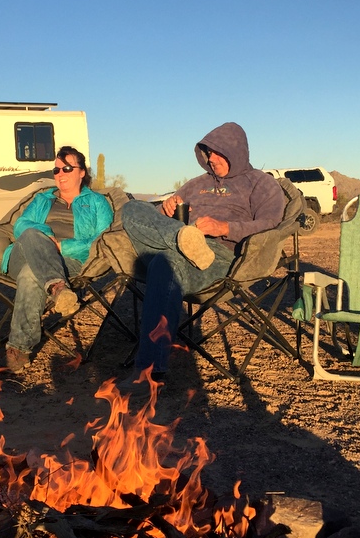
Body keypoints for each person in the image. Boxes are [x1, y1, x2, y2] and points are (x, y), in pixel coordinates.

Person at [118, 122, 286, 393]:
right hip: (179, 242)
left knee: (164, 264)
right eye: (208, 152)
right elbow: (157, 220)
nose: (211, 158)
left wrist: (225, 228)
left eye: (218, 153)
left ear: (236, 152)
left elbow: (272, 223)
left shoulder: (260, 183)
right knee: (132, 209)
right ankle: (183, 241)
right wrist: (165, 209)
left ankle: (149, 373)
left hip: (220, 257)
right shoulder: (197, 184)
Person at [2, 145, 113, 373]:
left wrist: (63, 246)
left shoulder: (97, 203)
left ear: (82, 172)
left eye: (67, 168)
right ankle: (56, 286)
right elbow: (21, 226)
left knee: (31, 274)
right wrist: (47, 236)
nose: (60, 174)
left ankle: (19, 348)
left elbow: (102, 240)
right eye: (56, 170)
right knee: (32, 233)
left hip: (69, 260)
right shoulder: (43, 199)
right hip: (24, 254)